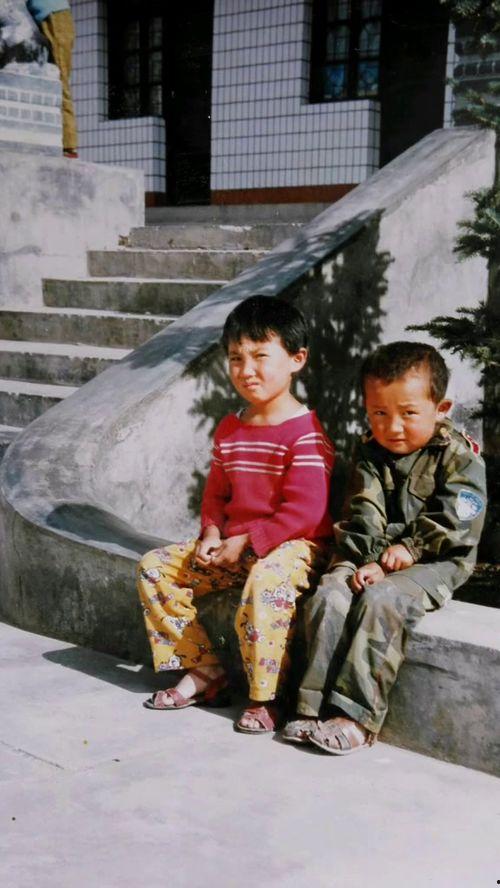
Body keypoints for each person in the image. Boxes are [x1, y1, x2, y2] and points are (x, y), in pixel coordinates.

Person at [137, 295, 334, 733]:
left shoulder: (305, 433)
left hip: (294, 548)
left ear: (297, 359)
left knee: (265, 583)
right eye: (236, 358)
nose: (247, 370)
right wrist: (211, 533)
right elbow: (215, 495)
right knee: (155, 568)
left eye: (261, 356)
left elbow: (305, 512)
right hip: (235, 546)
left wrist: (249, 541)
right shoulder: (230, 428)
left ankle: (266, 697)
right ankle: (205, 670)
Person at [283, 340, 487, 754]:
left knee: (382, 600)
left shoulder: (460, 457)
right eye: (379, 413)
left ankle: (356, 717)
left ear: (441, 408)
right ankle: (311, 707)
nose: (393, 427)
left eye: (408, 413)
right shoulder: (369, 452)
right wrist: (367, 560)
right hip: (370, 553)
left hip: (434, 560)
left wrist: (407, 551)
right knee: (329, 595)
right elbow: (363, 510)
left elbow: (459, 518)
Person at [26, 0, 78, 158]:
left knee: (60, 80)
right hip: (52, 16)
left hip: (54, 16)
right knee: (55, 79)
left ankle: (69, 145)